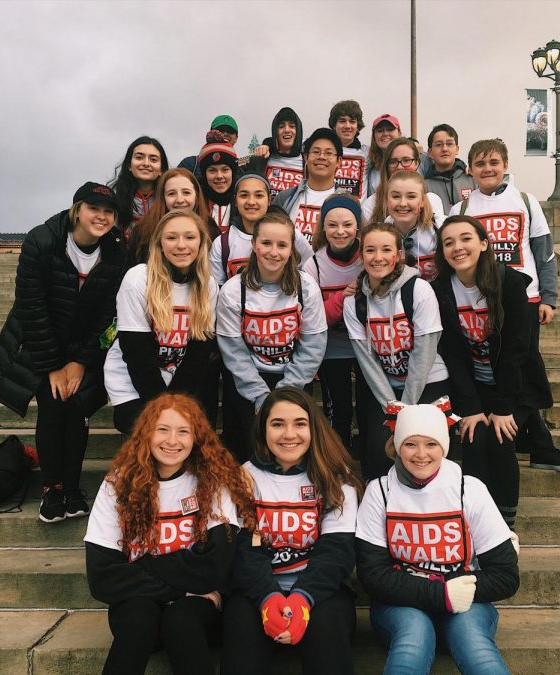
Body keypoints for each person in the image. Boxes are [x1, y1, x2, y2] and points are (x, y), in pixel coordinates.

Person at [85, 392, 257, 675]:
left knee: (181, 619)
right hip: (140, 602)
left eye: (183, 432)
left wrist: (144, 566)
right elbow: (102, 577)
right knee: (140, 617)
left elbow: (215, 567)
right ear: (146, 434)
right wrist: (180, 588)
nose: (172, 441)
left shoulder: (212, 482)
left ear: (196, 438)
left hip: (197, 611)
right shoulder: (117, 484)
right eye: (162, 430)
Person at [0, 182, 127, 523]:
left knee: (77, 408)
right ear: (77, 210)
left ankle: (73, 487)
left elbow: (108, 313)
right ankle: (52, 488)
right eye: (94, 208)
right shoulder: (43, 240)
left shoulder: (116, 251)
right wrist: (53, 366)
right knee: (52, 405)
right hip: (38, 340)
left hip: (83, 346)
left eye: (109, 212)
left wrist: (80, 362)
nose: (102, 217)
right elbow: (31, 307)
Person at [356, 403, 519, 675]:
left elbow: (506, 576)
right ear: (397, 446)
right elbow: (372, 575)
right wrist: (440, 594)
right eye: (410, 444)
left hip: (466, 603)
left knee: (476, 647)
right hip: (401, 605)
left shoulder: (469, 489)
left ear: (443, 446)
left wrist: (456, 593)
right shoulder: (379, 492)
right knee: (412, 641)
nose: (421, 454)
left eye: (431, 444)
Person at [453, 138, 560, 473]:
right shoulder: (461, 210)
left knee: (523, 368)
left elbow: (545, 252)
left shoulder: (525, 201)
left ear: (505, 165)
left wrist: (548, 298)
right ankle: (536, 443)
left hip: (525, 298)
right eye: (480, 164)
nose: (488, 169)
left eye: (494, 162)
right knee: (500, 371)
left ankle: (534, 442)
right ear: (470, 170)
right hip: (480, 302)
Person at [221, 387, 361, 675]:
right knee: (241, 632)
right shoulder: (242, 477)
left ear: (314, 428)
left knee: (326, 632)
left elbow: (337, 552)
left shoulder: (337, 477)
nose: (289, 434)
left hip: (322, 591)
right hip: (257, 589)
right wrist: (268, 597)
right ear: (263, 430)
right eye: (277, 424)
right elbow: (244, 551)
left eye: (299, 423)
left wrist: (302, 598)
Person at [433, 215, 551, 529]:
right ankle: (475, 524)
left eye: (466, 239)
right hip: (473, 385)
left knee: (500, 440)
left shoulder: (510, 283)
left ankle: (505, 527)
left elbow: (517, 350)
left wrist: (502, 407)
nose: (458, 247)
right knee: (474, 437)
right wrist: (470, 408)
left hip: (517, 386)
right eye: (448, 242)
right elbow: (453, 355)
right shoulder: (440, 290)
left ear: (484, 243)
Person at [343, 222, 450, 481]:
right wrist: (393, 408)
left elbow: (425, 351)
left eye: (386, 249)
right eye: (370, 250)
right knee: (378, 450)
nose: (378, 257)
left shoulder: (418, 290)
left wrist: (407, 411)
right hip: (385, 388)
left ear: (398, 255)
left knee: (421, 448)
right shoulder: (354, 302)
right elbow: (367, 361)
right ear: (361, 255)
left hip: (427, 382)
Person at [216, 211, 327, 461]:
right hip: (249, 380)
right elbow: (233, 351)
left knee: (292, 450)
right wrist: (259, 395)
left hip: (294, 377)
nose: (273, 252)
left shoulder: (306, 287)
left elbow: (313, 345)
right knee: (250, 450)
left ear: (291, 249)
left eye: (282, 245)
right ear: (254, 245)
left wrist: (285, 392)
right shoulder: (234, 290)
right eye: (266, 243)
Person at [104, 210, 218, 435]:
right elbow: (136, 352)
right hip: (133, 379)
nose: (181, 245)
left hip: (177, 376)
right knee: (150, 429)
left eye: (190, 237)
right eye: (172, 237)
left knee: (182, 430)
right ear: (159, 243)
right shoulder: (138, 279)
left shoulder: (208, 285)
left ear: (202, 242)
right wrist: (163, 407)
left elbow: (199, 351)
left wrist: (175, 403)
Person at [301, 193, 365, 451]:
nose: (340, 231)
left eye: (348, 224)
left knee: (367, 407)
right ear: (323, 228)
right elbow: (314, 319)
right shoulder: (313, 265)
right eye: (333, 225)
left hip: (367, 348)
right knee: (337, 410)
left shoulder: (368, 255)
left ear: (358, 227)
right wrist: (343, 297)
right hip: (331, 350)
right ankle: (338, 461)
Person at [210, 174, 313, 287]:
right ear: (235, 200)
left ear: (269, 200)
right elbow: (218, 287)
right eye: (244, 195)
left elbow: (309, 273)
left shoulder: (291, 235)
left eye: (259, 195)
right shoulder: (222, 244)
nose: (251, 202)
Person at [128, 168, 213, 266]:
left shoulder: (210, 228)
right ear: (162, 197)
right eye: (171, 194)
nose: (180, 200)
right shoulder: (143, 231)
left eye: (186, 192)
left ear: (196, 196)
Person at [274, 128, 342, 244]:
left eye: (329, 153)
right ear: (305, 157)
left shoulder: (347, 201)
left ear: (338, 161)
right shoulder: (284, 198)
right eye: (316, 152)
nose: (321, 157)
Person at [362, 137, 443, 226]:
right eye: (393, 161)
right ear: (386, 165)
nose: (400, 167)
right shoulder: (371, 204)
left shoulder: (432, 201)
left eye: (406, 160)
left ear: (417, 163)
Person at [383, 171, 443, 281]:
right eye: (396, 196)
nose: (402, 203)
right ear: (387, 200)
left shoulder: (441, 227)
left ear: (422, 201)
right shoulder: (381, 234)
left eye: (411, 196)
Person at [109, 137, 168, 237]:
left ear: (161, 169)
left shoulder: (169, 199)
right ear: (129, 165)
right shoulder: (113, 199)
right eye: (139, 157)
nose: (146, 163)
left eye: (153, 159)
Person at [251, 107, 305, 198]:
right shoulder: (263, 160)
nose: (287, 130)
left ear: (298, 131)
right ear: (275, 132)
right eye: (281, 126)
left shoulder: (308, 163)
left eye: (292, 126)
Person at [423, 124, 475, 214]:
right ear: (430, 152)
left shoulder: (473, 178)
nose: (444, 149)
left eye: (450, 144)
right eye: (438, 145)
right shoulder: (423, 186)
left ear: (457, 149)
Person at [198, 132, 240, 234]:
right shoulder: (195, 201)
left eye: (225, 170)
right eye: (212, 170)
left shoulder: (243, 202)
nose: (219, 176)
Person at [330, 100, 368, 200]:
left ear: (358, 126)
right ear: (334, 125)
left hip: (356, 213)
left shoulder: (367, 153)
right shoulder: (323, 151)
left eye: (352, 121)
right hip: (327, 211)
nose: (347, 126)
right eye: (342, 121)